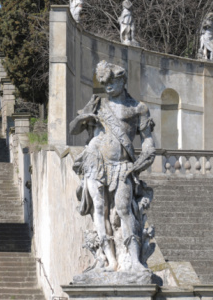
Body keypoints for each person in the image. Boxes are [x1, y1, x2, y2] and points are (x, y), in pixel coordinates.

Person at [70, 61, 155, 273]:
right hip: (95, 162)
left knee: (125, 209)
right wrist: (84, 117)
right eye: (104, 82)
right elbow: (73, 129)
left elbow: (147, 142)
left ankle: (134, 260)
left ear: (123, 80)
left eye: (111, 81)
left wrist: (140, 161)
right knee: (99, 210)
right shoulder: (98, 105)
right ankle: (107, 259)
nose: (107, 86)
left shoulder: (138, 108)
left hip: (122, 167)